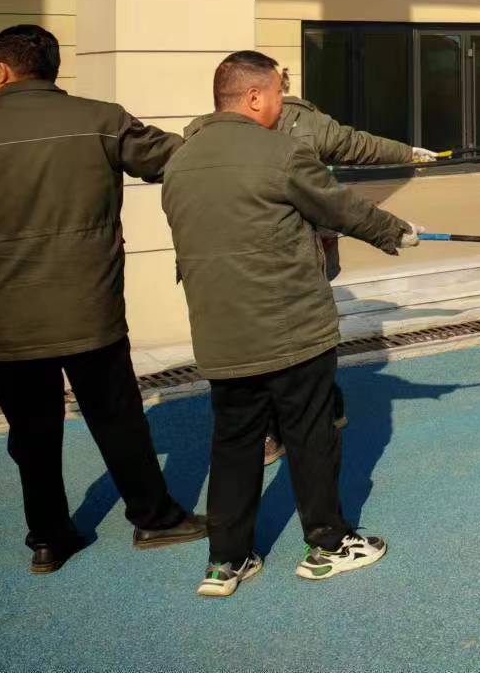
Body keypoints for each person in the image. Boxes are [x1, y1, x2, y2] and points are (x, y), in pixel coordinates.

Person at [0, 25, 205, 573]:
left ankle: (49, 539)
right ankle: (156, 519)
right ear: (52, 69)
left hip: (5, 318)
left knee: (32, 432)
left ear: (1, 69)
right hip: (90, 310)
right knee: (118, 418)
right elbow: (181, 160)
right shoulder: (102, 120)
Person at [161, 51, 417, 597]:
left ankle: (226, 561)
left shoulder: (180, 161)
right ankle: (328, 545)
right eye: (278, 93)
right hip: (292, 327)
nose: (283, 105)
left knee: (234, 443)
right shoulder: (280, 152)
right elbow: (337, 206)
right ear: (254, 96)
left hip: (221, 333)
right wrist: (395, 231)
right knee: (311, 436)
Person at [260, 63, 437, 466]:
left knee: (305, 337)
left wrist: (406, 153)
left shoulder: (304, 121)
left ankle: (320, 407)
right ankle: (286, 420)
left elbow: (355, 147)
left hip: (307, 248)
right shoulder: (240, 132)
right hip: (270, 250)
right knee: (278, 340)